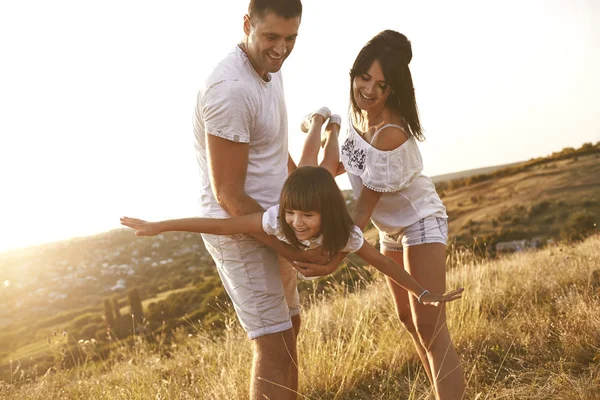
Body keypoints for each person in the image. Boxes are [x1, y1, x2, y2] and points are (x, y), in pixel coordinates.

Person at [295, 30, 466, 399]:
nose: (369, 89)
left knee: (431, 326)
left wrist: (332, 260)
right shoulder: (362, 120)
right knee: (409, 321)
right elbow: (338, 168)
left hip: (421, 222)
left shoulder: (389, 133)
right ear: (353, 74)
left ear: (393, 90)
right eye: (364, 77)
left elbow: (360, 213)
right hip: (391, 230)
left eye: (381, 84)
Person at [120, 166, 464, 307]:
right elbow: (222, 226)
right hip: (293, 189)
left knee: (321, 165)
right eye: (292, 212)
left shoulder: (345, 234)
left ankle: (325, 125)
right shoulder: (276, 219)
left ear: (325, 215)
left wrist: (422, 292)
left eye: (307, 215)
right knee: (310, 166)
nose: (297, 222)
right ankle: (319, 123)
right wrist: (161, 225)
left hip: (325, 194)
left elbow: (384, 265)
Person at [191, 1, 311, 398]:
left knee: (290, 329)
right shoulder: (230, 89)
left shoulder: (268, 68)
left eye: (290, 38)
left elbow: (275, 150)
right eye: (271, 37)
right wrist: (287, 245)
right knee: (273, 344)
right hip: (239, 231)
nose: (281, 48)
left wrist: (304, 209)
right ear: (247, 24)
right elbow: (228, 193)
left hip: (277, 221)